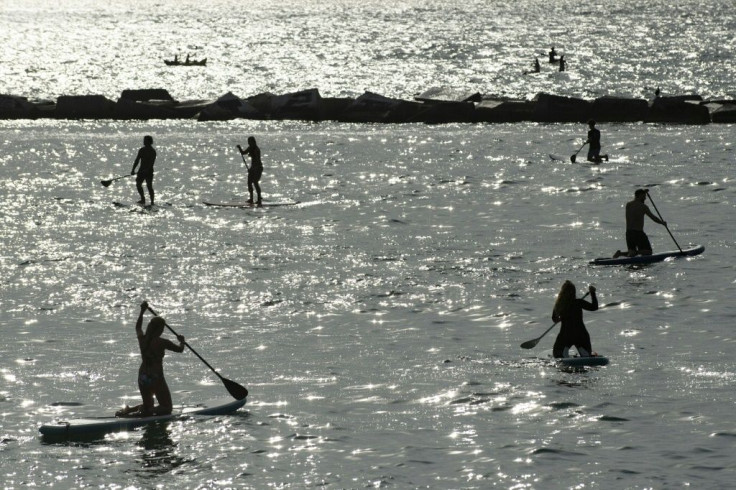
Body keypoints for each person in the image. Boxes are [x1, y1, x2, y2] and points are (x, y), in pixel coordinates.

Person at [116, 301, 185, 417]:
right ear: (159, 330)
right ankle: (144, 412)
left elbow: (138, 327)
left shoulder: (142, 339)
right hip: (156, 377)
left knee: (148, 404)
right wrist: (182, 341)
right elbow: (180, 349)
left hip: (142, 376)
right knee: (167, 408)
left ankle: (129, 411)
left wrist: (142, 312)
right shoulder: (162, 342)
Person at [613, 189, 667, 258]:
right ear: (639, 196)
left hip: (629, 233)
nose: (645, 198)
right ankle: (631, 252)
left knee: (632, 254)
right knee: (648, 252)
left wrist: (643, 192)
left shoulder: (628, 205)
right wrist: (662, 223)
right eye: (644, 196)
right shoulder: (643, 207)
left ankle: (620, 254)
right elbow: (653, 218)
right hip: (638, 233)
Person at [552, 281, 598, 358]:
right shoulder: (578, 302)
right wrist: (593, 293)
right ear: (574, 292)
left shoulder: (559, 305)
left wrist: (559, 318)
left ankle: (564, 351)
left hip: (566, 334)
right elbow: (594, 307)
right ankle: (584, 351)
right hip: (580, 333)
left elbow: (554, 319)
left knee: (556, 353)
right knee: (585, 348)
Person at [237, 136, 263, 205]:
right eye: (248, 142)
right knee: (249, 182)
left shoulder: (256, 149)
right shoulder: (250, 148)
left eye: (249, 142)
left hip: (258, 168)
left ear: (253, 142)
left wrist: (253, 169)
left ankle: (259, 199)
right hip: (253, 168)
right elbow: (243, 153)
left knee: (255, 182)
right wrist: (239, 148)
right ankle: (251, 199)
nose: (248, 143)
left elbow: (257, 160)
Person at [131, 135, 156, 206]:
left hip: (149, 171)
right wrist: (133, 170)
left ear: (149, 141)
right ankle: (143, 199)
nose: (144, 141)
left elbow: (151, 163)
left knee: (149, 186)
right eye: (144, 140)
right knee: (138, 184)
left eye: (145, 140)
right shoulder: (141, 150)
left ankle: (152, 202)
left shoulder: (152, 151)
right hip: (141, 170)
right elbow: (137, 160)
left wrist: (147, 170)